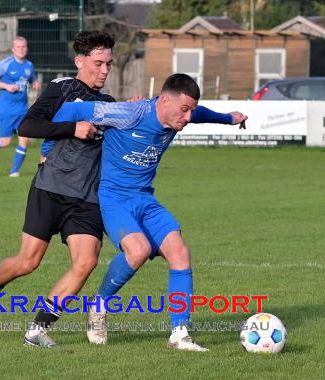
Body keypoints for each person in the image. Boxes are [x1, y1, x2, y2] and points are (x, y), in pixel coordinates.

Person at [48, 73, 248, 352]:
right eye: (184, 110)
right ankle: (98, 306)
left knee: (180, 253)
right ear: (164, 100)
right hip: (114, 198)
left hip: (144, 198)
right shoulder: (130, 112)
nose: (188, 118)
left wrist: (229, 118)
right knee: (138, 251)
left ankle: (179, 334)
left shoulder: (177, 116)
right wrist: (47, 148)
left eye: (190, 110)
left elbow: (200, 112)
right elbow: (72, 109)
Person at [0, 30, 115, 348]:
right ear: (80, 61)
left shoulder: (108, 105)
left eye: (109, 64)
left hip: (87, 197)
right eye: (99, 63)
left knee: (86, 261)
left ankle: (38, 329)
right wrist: (71, 128)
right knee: (28, 262)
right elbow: (28, 126)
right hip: (50, 188)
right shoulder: (62, 89)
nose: (104, 70)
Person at [0, 36, 42, 177]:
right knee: (6, 141)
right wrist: (6, 86)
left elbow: (32, 80)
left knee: (24, 139)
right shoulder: (6, 64)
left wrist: (35, 84)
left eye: (24, 46)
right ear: (13, 49)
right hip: (6, 110)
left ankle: (14, 172)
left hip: (22, 110)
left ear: (27, 48)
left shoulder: (29, 65)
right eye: (18, 47)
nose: (21, 49)